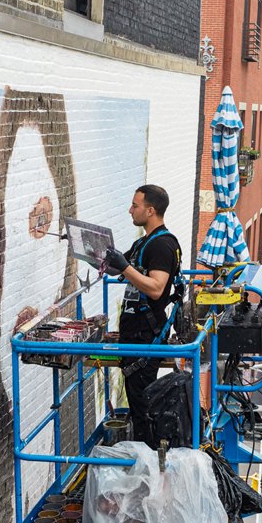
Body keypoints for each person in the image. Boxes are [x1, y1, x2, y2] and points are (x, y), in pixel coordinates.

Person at [104, 185, 181, 448]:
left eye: (135, 206)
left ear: (150, 210)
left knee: (142, 405)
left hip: (145, 337)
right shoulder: (143, 242)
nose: (130, 210)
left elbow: (157, 288)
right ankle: (144, 457)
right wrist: (96, 253)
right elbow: (116, 269)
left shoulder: (162, 245)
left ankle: (147, 458)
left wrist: (124, 266)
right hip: (135, 335)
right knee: (136, 400)